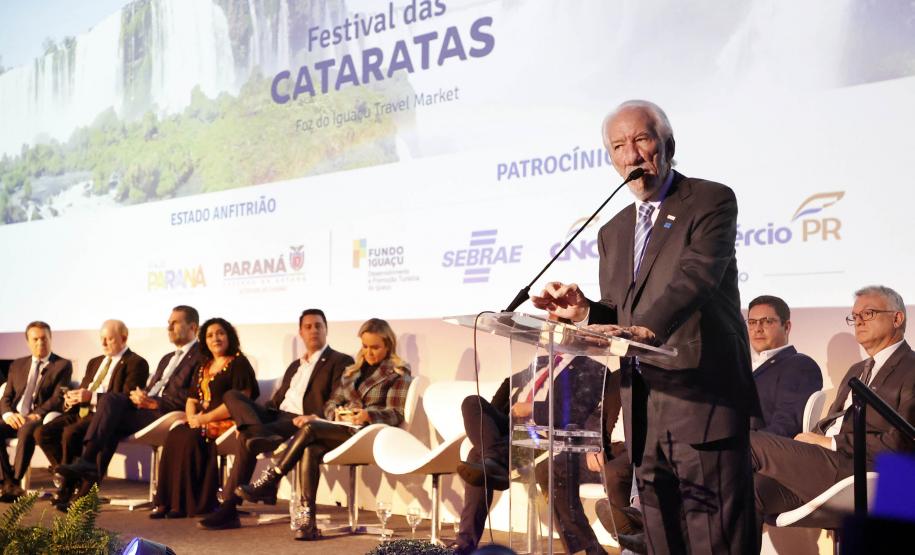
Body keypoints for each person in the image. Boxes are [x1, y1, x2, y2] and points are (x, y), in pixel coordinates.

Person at [532, 99, 760, 553]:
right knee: (661, 540)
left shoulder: (710, 199)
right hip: (645, 408)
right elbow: (621, 315)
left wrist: (647, 330)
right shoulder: (612, 230)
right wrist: (584, 313)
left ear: (667, 143)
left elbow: (695, 277)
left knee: (715, 540)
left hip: (703, 400)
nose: (632, 154)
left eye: (641, 139)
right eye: (619, 146)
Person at [752, 286, 915, 541]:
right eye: (854, 315)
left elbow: (903, 442)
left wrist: (829, 442)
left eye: (868, 313)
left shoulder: (912, 369)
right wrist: (812, 440)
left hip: (867, 470)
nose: (858, 321)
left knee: (750, 442)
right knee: (749, 491)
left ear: (897, 318)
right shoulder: (856, 370)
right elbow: (833, 422)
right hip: (827, 465)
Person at [224, 318, 411, 540]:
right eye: (365, 346)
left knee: (311, 428)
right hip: (343, 427)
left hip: (369, 433)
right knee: (309, 450)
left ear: (388, 345)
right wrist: (340, 413)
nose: (369, 353)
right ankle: (307, 522)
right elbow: (331, 403)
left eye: (375, 347)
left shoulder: (397, 373)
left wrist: (368, 414)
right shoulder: (353, 371)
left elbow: (396, 413)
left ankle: (272, 478)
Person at [197, 308, 353, 530]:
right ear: (301, 332)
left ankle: (228, 509)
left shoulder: (340, 361)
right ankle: (258, 432)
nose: (313, 330)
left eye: (318, 325)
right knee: (232, 396)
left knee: (247, 439)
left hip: (302, 421)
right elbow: (277, 401)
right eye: (308, 327)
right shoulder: (295, 365)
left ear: (326, 329)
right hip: (277, 418)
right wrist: (248, 420)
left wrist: (315, 417)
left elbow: (338, 399)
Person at [452, 354, 618, 555]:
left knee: (475, 455)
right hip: (512, 433)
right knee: (472, 402)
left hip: (544, 435)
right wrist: (493, 419)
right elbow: (511, 382)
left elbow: (575, 412)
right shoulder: (541, 361)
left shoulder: (591, 367)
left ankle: (464, 545)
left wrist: (531, 409)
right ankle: (493, 457)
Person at [55, 306, 204, 491]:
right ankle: (83, 492)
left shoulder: (201, 357)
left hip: (166, 413)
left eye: (174, 323)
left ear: (193, 328)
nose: (169, 328)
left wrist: (155, 402)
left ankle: (87, 464)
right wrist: (142, 396)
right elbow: (152, 388)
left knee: (110, 404)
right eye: (168, 323)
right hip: (145, 407)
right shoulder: (167, 358)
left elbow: (194, 396)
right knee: (109, 418)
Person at [151, 317, 259, 518]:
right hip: (203, 419)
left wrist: (203, 419)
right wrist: (192, 418)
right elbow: (192, 399)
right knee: (176, 433)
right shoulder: (204, 365)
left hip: (232, 421)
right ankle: (167, 502)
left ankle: (187, 504)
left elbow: (241, 401)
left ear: (229, 336)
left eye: (220, 333)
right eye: (209, 335)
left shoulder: (239, 362)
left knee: (193, 437)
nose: (215, 338)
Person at [39, 319, 149, 509]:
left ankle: (68, 489)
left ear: (123, 338)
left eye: (109, 339)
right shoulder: (94, 362)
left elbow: (125, 398)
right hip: (81, 411)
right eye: (102, 339)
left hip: (104, 416)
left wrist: (91, 397)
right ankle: (71, 475)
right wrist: (71, 399)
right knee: (42, 433)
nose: (104, 343)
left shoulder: (136, 363)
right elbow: (83, 389)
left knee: (70, 433)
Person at [0, 321, 72, 501]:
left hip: (39, 418)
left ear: (50, 339)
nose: (40, 343)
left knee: (26, 430)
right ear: (28, 342)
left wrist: (36, 414)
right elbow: (6, 396)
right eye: (36, 339)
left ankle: (14, 481)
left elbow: (57, 398)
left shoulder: (62, 365)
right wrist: (9, 414)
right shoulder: (17, 365)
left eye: (44, 338)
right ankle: (8, 481)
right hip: (15, 416)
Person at [747, 295, 823, 438]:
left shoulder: (799, 365)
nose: (757, 329)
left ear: (786, 327)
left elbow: (786, 427)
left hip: (760, 452)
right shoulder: (742, 365)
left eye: (767, 322)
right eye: (752, 322)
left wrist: (739, 444)